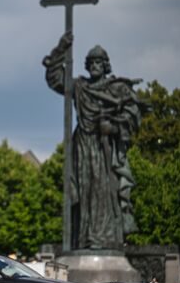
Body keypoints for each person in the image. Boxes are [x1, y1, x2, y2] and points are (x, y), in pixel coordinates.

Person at [44, 32, 145, 250]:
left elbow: (133, 114)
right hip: (82, 145)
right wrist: (61, 48)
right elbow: (54, 79)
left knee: (104, 191)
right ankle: (84, 239)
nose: (94, 66)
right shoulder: (80, 86)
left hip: (104, 145)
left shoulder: (116, 88)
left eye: (98, 62)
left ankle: (105, 239)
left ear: (105, 65)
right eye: (90, 62)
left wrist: (114, 127)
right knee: (83, 192)